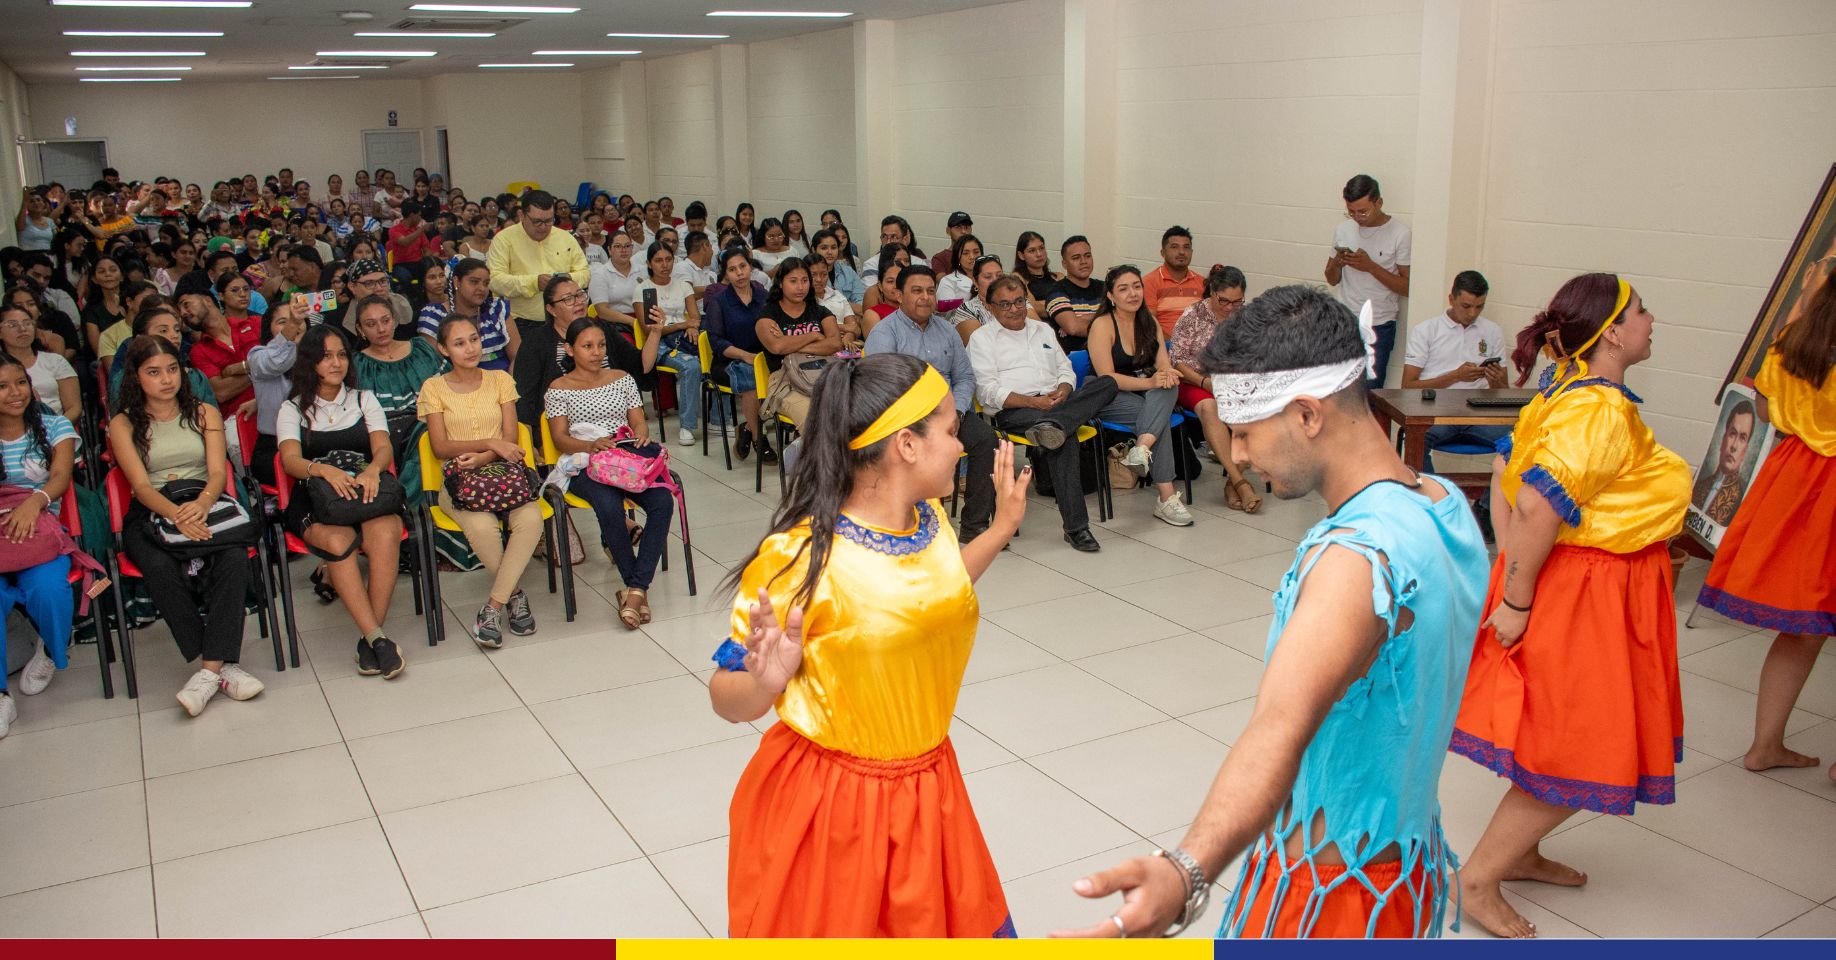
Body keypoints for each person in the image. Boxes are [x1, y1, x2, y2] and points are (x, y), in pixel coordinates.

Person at [1056, 284, 1488, 939]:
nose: (1238, 455)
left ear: (1308, 414)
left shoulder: (1356, 561)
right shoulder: (1442, 502)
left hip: (1330, 896)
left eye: (1245, 432)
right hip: (1402, 862)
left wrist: (1186, 871)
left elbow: (1279, 729)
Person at [712, 352, 1029, 938]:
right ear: (906, 445)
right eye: (951, 431)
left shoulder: (929, 521)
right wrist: (763, 682)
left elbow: (933, 594)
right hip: (836, 806)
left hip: (930, 787)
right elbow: (725, 697)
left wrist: (1001, 527)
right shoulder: (802, 558)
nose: (962, 445)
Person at [1453, 273, 1688, 938]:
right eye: (1641, 310)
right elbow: (1533, 501)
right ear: (1612, 332)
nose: (1650, 319)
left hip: (1583, 586)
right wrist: (1517, 598)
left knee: (1560, 731)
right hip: (1589, 592)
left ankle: (1519, 853)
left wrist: (1511, 569)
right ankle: (1477, 881)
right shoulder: (1598, 409)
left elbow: (1506, 473)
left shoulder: (1566, 389)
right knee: (1577, 745)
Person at [1697, 265, 1836, 784]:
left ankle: (1765, 744)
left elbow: (1764, 406)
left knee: (1801, 628)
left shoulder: (1793, 341)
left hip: (1797, 480)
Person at [108, 335, 264, 717]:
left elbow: (217, 472)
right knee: (158, 566)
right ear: (136, 377)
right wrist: (177, 515)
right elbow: (141, 486)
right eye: (154, 372)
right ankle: (222, 667)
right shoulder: (123, 423)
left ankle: (208, 671)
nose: (166, 379)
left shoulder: (204, 412)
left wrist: (202, 505)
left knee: (232, 556)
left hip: (205, 500)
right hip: (153, 509)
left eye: (172, 369)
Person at [277, 325, 407, 680]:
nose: (336, 363)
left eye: (341, 355)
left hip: (366, 490)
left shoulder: (364, 399)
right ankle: (378, 639)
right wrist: (323, 470)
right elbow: (290, 461)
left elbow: (382, 448)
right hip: (317, 499)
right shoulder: (292, 408)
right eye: (325, 356)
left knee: (385, 531)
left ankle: (372, 638)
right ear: (310, 362)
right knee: (339, 541)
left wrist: (373, 470)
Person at [971, 274, 1118, 552]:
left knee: (1107, 383)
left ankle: (1056, 423)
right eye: (1005, 304)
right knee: (1063, 436)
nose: (1015, 309)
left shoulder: (1043, 330)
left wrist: (1063, 389)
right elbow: (987, 392)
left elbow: (1065, 369)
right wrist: (1034, 402)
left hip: (1058, 404)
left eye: (1019, 301)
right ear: (991, 307)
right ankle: (1077, 528)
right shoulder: (981, 339)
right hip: (1017, 411)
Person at [421, 315, 543, 648]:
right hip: (459, 482)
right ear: (444, 349)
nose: (470, 348)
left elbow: (510, 437)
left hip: (505, 476)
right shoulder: (434, 387)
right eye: (459, 343)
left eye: (474, 339)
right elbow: (440, 447)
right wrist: (489, 444)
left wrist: (486, 456)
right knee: (483, 527)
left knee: (531, 520)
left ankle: (493, 606)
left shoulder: (500, 379)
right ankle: (514, 595)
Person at [544, 318, 676, 628]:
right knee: (608, 505)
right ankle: (636, 588)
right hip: (587, 462)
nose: (596, 352)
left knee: (662, 502)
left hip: (626, 459)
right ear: (570, 349)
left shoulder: (622, 378)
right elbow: (560, 438)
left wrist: (640, 434)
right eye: (587, 346)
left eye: (601, 345)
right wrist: (591, 445)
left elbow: (638, 420)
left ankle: (635, 591)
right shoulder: (558, 388)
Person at [863, 265, 998, 541]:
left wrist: (957, 411)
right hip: (905, 417)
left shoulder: (947, 330)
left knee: (986, 440)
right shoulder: (885, 333)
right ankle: (915, 524)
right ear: (899, 295)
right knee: (920, 448)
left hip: (948, 412)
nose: (925, 297)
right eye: (916, 291)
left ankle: (974, 525)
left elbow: (965, 377)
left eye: (930, 291)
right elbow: (880, 387)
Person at [0, 352, 81, 738]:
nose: (15, 392)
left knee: (49, 590)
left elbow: (61, 477)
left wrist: (35, 502)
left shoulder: (53, 425)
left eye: (21, 382)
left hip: (41, 532)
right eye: (2, 386)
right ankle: (1, 696)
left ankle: (50, 647)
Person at [1086, 265, 1194, 527]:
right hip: (1108, 396)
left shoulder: (1149, 321)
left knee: (1170, 386)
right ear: (1111, 295)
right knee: (1159, 420)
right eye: (1123, 289)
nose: (1132, 294)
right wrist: (1151, 382)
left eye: (1137, 286)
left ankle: (1142, 448)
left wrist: (1166, 374)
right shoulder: (1102, 324)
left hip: (1144, 394)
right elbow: (1107, 378)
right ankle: (1166, 498)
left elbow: (1162, 364)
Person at [1168, 265, 1260, 512]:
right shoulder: (1194, 315)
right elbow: (1177, 360)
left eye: (1237, 302)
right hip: (1193, 381)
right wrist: (1204, 382)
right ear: (1212, 292)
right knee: (1209, 406)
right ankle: (1241, 483)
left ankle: (1232, 484)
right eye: (1224, 301)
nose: (1230, 308)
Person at [1400, 270, 1510, 473]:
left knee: (1521, 439)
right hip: (1437, 412)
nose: (1473, 313)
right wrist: (1455, 376)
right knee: (1417, 437)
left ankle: (1489, 495)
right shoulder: (1426, 331)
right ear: (1451, 299)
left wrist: (1496, 380)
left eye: (1479, 306)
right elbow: (1408, 386)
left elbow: (1504, 390)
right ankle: (1429, 492)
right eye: (1466, 306)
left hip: (1480, 415)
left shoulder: (1492, 331)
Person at [1324, 174, 1411, 386]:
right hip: (1343, 321)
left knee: (1370, 390)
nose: (1357, 217)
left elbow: (1407, 287)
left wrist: (1370, 267)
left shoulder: (1400, 233)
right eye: (1351, 212)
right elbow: (1331, 279)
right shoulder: (1343, 229)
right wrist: (1338, 263)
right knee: (1337, 388)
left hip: (1378, 324)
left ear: (1378, 203)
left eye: (1363, 211)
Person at [487, 190, 591, 338]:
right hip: (522, 322)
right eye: (537, 222)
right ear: (522, 216)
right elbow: (494, 280)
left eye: (549, 220)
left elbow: (585, 273)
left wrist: (567, 279)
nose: (543, 227)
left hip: (565, 319)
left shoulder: (565, 238)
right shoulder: (503, 239)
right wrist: (534, 283)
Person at [631, 242, 705, 446]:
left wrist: (692, 326)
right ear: (649, 263)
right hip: (658, 343)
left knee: (719, 354)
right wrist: (682, 324)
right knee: (691, 366)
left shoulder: (683, 286)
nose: (664, 265)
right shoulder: (644, 289)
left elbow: (695, 317)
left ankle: (718, 419)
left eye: (668, 259)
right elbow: (650, 329)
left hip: (684, 338)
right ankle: (687, 426)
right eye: (658, 260)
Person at [704, 247, 773, 463]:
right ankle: (759, 438)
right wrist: (744, 356)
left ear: (750, 267)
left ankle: (747, 427)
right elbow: (717, 342)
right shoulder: (719, 301)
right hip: (727, 361)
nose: (740, 273)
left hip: (761, 359)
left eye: (743, 266)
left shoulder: (764, 296)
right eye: (732, 269)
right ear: (726, 274)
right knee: (751, 378)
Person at [757, 258, 842, 430]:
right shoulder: (769, 314)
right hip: (785, 380)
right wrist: (814, 335)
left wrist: (791, 344)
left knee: (853, 411)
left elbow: (835, 344)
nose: (800, 287)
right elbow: (777, 347)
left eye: (804, 281)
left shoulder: (820, 311)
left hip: (822, 374)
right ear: (781, 283)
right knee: (814, 420)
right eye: (793, 281)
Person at [245, 297, 307, 488]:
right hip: (274, 448)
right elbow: (275, 362)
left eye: (298, 319)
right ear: (268, 329)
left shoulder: (320, 357)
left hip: (314, 442)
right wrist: (292, 325)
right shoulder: (258, 356)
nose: (293, 324)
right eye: (283, 322)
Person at [416, 258, 516, 371]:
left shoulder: (497, 309)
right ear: (456, 282)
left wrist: (508, 381)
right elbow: (434, 366)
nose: (482, 288)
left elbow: (517, 358)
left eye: (486, 283)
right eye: (474, 282)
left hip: (504, 378)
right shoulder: (434, 316)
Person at [182, 290, 259, 421]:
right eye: (181, 312)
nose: (183, 313)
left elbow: (281, 358)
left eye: (186, 304)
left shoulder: (254, 323)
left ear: (207, 300)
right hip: (238, 419)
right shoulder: (198, 351)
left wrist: (236, 369)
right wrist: (263, 368)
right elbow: (221, 392)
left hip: (275, 405)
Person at [0, 303, 78, 418]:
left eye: (27, 323)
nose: (22, 329)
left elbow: (74, 408)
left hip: (56, 423)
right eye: (13, 325)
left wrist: (56, 427)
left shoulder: (55, 361)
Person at [1691, 400, 1756, 525]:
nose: (1734, 446)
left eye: (1742, 438)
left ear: (1745, 450)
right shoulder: (1699, 486)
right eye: (1732, 434)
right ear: (1723, 439)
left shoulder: (1743, 501)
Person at [1044, 236, 1103, 353]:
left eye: (1087, 256)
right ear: (1064, 264)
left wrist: (1082, 318)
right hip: (1074, 358)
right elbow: (1073, 328)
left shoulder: (1105, 288)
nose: (1083, 261)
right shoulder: (1055, 292)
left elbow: (1123, 319)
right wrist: (1104, 319)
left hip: (1108, 352)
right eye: (1076, 258)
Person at [1142, 226, 1203, 337]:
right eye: (1174, 247)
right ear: (1163, 253)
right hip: (1163, 344)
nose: (1181, 252)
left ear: (1192, 252)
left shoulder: (1203, 283)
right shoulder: (1149, 282)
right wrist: (1174, 344)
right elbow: (1149, 325)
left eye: (1186, 247)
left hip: (1198, 344)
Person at [588, 232, 643, 329]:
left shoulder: (643, 270)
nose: (623, 250)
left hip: (643, 319)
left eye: (627, 246)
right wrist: (633, 322)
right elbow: (602, 311)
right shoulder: (600, 274)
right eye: (618, 246)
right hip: (614, 323)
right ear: (609, 250)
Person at [1014, 230, 1061, 316]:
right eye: (1032, 250)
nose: (1039, 254)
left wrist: (1043, 303)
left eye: (1041, 248)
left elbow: (1074, 301)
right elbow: (1032, 307)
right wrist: (1062, 305)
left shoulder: (1058, 276)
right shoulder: (1017, 278)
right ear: (1021, 255)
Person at [935, 233, 983, 313]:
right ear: (957, 257)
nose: (972, 257)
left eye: (976, 252)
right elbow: (947, 315)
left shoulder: (989, 278)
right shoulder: (948, 281)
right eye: (965, 253)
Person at [931, 211, 974, 275]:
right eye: (958, 227)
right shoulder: (940, 258)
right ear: (948, 230)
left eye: (967, 227)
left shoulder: (975, 255)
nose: (963, 231)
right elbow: (942, 280)